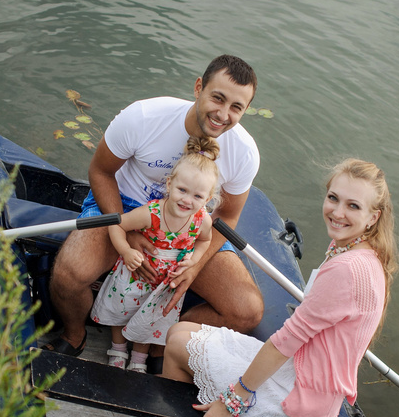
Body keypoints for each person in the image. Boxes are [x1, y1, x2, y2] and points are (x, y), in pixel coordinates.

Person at [123, 158, 398, 417]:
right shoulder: (366, 256)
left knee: (175, 345)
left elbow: (287, 341)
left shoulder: (346, 270)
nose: (337, 212)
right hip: (303, 375)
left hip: (297, 406)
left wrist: (232, 402)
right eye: (333, 198)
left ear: (373, 216)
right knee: (180, 332)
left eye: (353, 206)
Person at [46, 55, 263, 357]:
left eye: (236, 107)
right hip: (126, 206)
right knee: (69, 273)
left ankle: (162, 347)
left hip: (190, 226)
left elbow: (227, 216)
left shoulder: (244, 153)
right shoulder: (144, 117)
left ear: (245, 110)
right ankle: (74, 335)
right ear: (198, 87)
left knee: (246, 311)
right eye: (218, 98)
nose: (223, 114)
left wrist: (195, 264)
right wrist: (121, 229)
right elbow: (100, 171)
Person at [90, 136, 220, 372]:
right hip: (136, 275)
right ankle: (118, 349)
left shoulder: (202, 221)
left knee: (150, 318)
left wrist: (194, 260)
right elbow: (118, 225)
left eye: (197, 196)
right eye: (182, 190)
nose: (187, 200)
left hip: (166, 281)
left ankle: (139, 358)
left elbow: (205, 241)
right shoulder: (151, 213)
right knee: (123, 310)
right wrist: (126, 250)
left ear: (207, 199)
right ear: (169, 184)